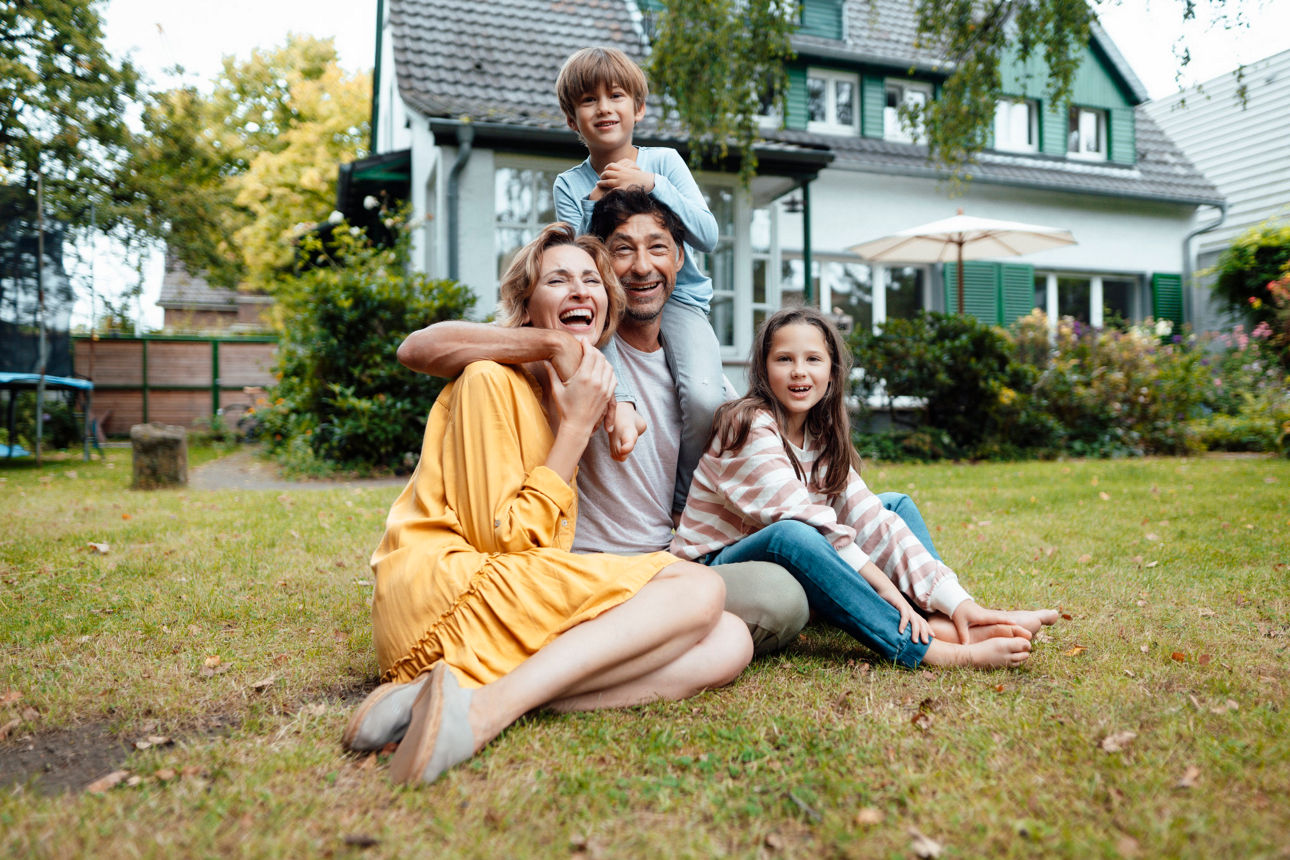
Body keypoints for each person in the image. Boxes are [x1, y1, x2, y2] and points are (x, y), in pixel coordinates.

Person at [343, 224, 753, 785]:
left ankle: (450, 701)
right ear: (526, 306)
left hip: (501, 598)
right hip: (448, 599)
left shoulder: (571, 391)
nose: (580, 290)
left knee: (731, 642)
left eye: (591, 280)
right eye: (558, 280)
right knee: (700, 588)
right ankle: (481, 716)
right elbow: (505, 543)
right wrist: (577, 424)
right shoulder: (491, 378)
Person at [672, 306, 1059, 668]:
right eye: (784, 359)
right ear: (763, 368)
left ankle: (956, 620)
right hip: (718, 568)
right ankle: (930, 648)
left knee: (892, 506)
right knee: (795, 534)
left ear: (832, 370)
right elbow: (810, 527)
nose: (799, 372)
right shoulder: (749, 426)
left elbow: (869, 517)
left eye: (813, 359)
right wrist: (886, 590)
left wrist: (960, 602)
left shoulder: (820, 434)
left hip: (791, 559)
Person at [553, 46, 725, 513]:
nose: (604, 108)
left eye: (616, 96)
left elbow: (708, 235)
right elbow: (581, 265)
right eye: (588, 101)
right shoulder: (569, 186)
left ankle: (683, 504)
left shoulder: (665, 162)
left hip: (679, 302)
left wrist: (651, 184)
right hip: (612, 302)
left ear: (638, 108)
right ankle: (622, 410)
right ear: (573, 119)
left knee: (707, 399)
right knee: (601, 354)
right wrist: (593, 203)